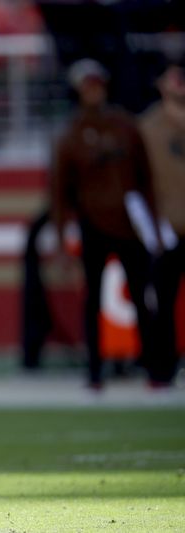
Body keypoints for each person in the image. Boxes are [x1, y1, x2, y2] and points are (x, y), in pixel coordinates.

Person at [51, 58, 160, 390]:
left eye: (97, 84)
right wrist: (61, 243)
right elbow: (58, 194)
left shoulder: (126, 126)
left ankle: (155, 369)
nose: (93, 91)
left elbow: (146, 179)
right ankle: (95, 372)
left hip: (129, 224)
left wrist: (153, 225)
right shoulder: (70, 136)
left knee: (143, 297)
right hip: (92, 223)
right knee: (93, 300)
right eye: (87, 85)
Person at [139, 58, 185, 387]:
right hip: (167, 228)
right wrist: (151, 227)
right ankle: (161, 371)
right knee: (161, 302)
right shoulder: (147, 127)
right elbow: (139, 184)